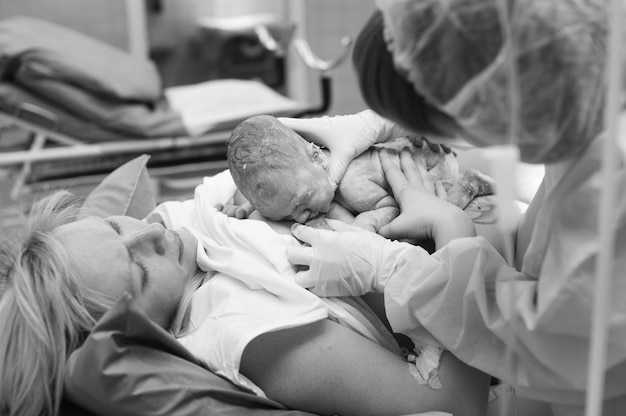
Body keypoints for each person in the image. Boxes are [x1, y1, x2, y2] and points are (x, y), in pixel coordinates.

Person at [278, 1, 626, 415]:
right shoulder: (584, 93)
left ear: (498, 90)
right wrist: (393, 122)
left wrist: (406, 267)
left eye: (462, 118)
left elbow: (566, 346)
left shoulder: (610, 174)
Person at [0, 185, 490, 416]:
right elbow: (456, 400)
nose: (148, 232)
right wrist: (452, 233)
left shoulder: (183, 240)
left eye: (113, 226)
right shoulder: (253, 336)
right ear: (137, 330)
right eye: (139, 270)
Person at [223, 113, 496, 232]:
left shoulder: (353, 184)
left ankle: (471, 183)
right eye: (286, 215)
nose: (300, 217)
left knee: (437, 212)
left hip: (431, 162)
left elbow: (393, 206)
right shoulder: (305, 180)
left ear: (317, 157)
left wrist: (368, 223)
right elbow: (279, 191)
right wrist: (246, 205)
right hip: (418, 139)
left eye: (302, 204)